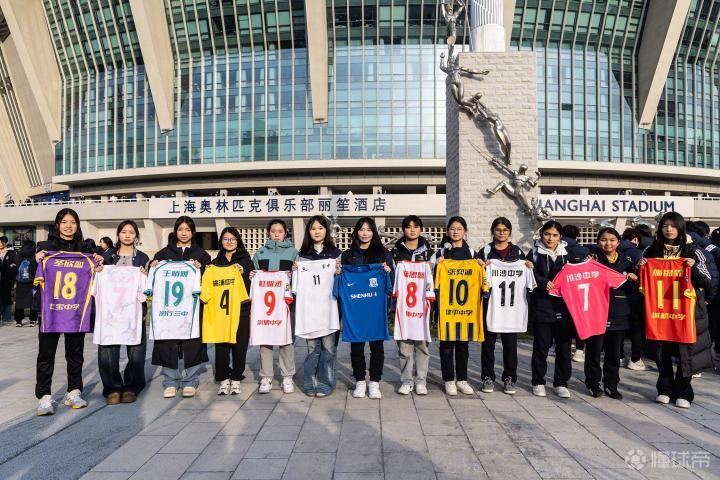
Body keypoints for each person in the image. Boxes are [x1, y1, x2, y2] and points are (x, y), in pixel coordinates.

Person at [640, 212, 713, 409]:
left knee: (685, 352)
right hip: (660, 311)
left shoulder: (694, 251)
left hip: (687, 311)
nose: (669, 229)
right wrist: (641, 268)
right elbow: (641, 281)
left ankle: (684, 392)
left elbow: (709, 282)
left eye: (673, 226)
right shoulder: (651, 250)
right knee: (661, 351)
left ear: (681, 228)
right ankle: (664, 389)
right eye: (665, 226)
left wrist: (694, 268)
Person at [34, 208, 103, 415]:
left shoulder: (85, 248)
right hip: (51, 310)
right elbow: (32, 275)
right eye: (64, 222)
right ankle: (44, 396)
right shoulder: (45, 248)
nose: (68, 226)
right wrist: (36, 260)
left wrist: (99, 262)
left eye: (72, 222)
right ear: (57, 224)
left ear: (77, 225)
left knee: (75, 354)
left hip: (75, 310)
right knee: (46, 354)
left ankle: (73, 391)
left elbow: (97, 272)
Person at [150, 216, 211, 399]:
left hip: (191, 308)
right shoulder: (163, 254)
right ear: (175, 231)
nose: (184, 233)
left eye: (188, 229)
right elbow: (152, 276)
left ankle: (190, 380)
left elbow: (209, 279)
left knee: (193, 341)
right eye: (180, 229)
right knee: (167, 340)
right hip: (168, 309)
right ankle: (170, 380)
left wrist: (202, 269)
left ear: (193, 232)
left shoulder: (202, 255)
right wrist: (152, 266)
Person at [528, 220, 584, 399]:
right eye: (547, 234)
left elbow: (578, 272)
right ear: (541, 234)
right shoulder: (534, 252)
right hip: (542, 305)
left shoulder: (568, 253)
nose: (550, 238)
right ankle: (538, 381)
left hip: (565, 307)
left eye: (554, 235)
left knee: (564, 348)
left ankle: (561, 383)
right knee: (541, 347)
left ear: (560, 237)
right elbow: (529, 274)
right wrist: (542, 282)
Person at [475, 217, 530, 395]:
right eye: (498, 229)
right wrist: (481, 266)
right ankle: (487, 377)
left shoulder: (517, 252)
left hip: (511, 308)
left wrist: (529, 266)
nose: (501, 233)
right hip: (490, 304)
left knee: (510, 345)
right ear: (493, 231)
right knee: (488, 344)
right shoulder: (485, 251)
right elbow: (476, 276)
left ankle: (510, 377)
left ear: (510, 232)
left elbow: (527, 274)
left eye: (505, 230)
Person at [341, 217, 394, 399]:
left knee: (377, 346)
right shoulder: (347, 255)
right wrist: (339, 272)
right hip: (355, 308)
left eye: (369, 229)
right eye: (362, 229)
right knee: (356, 346)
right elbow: (341, 281)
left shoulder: (383, 253)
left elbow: (391, 282)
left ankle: (375, 382)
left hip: (375, 307)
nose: (365, 233)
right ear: (356, 232)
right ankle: (360, 381)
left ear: (374, 232)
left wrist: (388, 272)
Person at [97, 220, 150, 405]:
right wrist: (98, 271)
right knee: (107, 348)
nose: (127, 235)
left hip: (134, 310)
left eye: (131, 232)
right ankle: (112, 387)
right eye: (124, 232)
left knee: (136, 349)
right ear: (118, 234)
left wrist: (145, 276)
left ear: (136, 236)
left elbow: (148, 287)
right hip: (110, 311)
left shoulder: (143, 258)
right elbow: (96, 278)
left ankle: (132, 386)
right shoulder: (106, 256)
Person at [585, 228, 637, 400]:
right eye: (603, 239)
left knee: (614, 353)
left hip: (618, 311)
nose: (607, 243)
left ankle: (611, 384)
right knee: (594, 350)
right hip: (596, 311)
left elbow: (632, 289)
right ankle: (593, 383)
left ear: (618, 242)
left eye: (612, 240)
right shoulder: (591, 259)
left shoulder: (626, 261)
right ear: (598, 241)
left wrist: (632, 278)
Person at [296, 215, 342, 397]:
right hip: (310, 310)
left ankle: (325, 383)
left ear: (326, 231)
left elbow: (341, 282)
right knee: (312, 348)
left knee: (328, 348)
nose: (317, 231)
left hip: (329, 308)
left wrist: (338, 271)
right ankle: (310, 381)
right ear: (308, 231)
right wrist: (294, 271)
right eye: (313, 228)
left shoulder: (335, 254)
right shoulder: (302, 256)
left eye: (321, 228)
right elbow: (295, 285)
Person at [252, 219, 298, 394]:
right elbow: (254, 274)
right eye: (273, 231)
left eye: (280, 231)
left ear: (285, 233)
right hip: (266, 306)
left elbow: (299, 277)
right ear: (268, 233)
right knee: (265, 339)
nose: (276, 234)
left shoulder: (293, 252)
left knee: (286, 340)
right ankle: (266, 377)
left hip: (285, 303)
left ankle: (287, 376)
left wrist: (293, 274)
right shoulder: (260, 252)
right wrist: (252, 275)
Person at [431, 216, 477, 396]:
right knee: (447, 344)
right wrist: (436, 265)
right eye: (452, 228)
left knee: (463, 344)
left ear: (465, 231)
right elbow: (430, 277)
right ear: (447, 231)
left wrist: (482, 264)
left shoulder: (472, 253)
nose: (455, 232)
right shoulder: (440, 253)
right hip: (446, 306)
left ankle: (462, 379)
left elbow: (480, 276)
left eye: (459, 229)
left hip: (465, 307)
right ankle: (449, 380)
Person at [390, 215, 435, 395]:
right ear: (403, 230)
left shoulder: (429, 253)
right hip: (404, 306)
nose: (412, 230)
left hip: (422, 305)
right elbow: (391, 276)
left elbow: (435, 277)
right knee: (404, 345)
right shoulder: (395, 252)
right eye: (408, 227)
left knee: (422, 345)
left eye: (415, 226)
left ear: (421, 229)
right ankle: (407, 380)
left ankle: (421, 380)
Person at [212, 227, 253, 396]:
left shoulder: (246, 260)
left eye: (232, 239)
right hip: (221, 311)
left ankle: (236, 377)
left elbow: (251, 285)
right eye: (225, 239)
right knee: (221, 345)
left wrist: (243, 273)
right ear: (221, 241)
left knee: (239, 345)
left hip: (241, 309)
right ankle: (223, 378)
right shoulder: (216, 261)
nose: (229, 242)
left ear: (238, 241)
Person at [561, 225, 590, 363]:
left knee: (562, 320)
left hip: (561, 289)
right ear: (577, 235)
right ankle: (579, 350)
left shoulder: (558, 248)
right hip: (579, 290)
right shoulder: (583, 250)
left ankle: (558, 347)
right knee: (580, 320)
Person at [620, 228, 646, 370]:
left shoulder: (614, 250)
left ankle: (619, 356)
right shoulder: (637, 253)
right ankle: (635, 359)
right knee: (637, 328)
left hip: (616, 293)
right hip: (634, 294)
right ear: (635, 239)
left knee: (619, 327)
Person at [14, 239, 38, 327]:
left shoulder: (18, 254)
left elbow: (15, 267)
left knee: (19, 301)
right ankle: (32, 320)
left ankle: (18, 320)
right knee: (33, 300)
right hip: (32, 281)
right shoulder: (35, 254)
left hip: (20, 281)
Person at [0, 235, 18, 322]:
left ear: (5, 243)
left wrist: (12, 279)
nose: (0, 244)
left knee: (7, 297)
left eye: (1, 242)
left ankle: (6, 317)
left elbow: (13, 266)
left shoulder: (11, 253)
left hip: (7, 279)